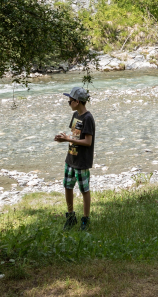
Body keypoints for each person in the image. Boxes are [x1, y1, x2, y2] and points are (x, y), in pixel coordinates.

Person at [54, 86, 94, 231]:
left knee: (84, 190)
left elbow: (88, 142)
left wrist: (67, 140)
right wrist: (64, 138)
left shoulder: (88, 118)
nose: (68, 103)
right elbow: (75, 136)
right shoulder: (76, 115)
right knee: (68, 186)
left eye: (69, 101)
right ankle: (71, 216)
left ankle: (85, 219)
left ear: (77, 101)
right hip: (70, 159)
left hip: (82, 161)